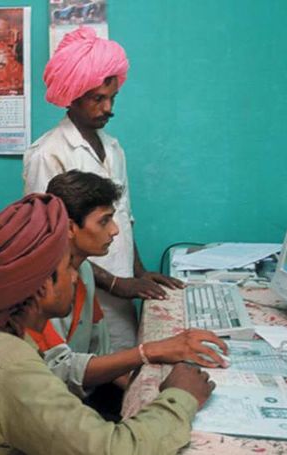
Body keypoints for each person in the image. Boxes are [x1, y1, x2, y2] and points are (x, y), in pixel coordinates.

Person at [0, 193, 216, 455]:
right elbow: (114, 450)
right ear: (41, 287)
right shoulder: (10, 366)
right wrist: (180, 397)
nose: (75, 276)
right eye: (68, 266)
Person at [23, 26, 184, 351]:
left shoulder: (113, 148)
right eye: (98, 98)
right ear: (73, 96)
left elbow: (122, 217)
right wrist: (114, 283)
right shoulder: (48, 153)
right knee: (81, 368)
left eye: (112, 98)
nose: (108, 108)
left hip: (120, 290)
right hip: (74, 292)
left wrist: (139, 273)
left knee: (122, 364)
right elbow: (48, 240)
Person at [41, 170, 228, 419]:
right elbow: (60, 370)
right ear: (70, 228)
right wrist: (150, 351)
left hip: (85, 393)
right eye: (104, 221)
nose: (115, 230)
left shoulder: (83, 269)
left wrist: (147, 391)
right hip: (53, 409)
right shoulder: (43, 288)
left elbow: (100, 355)